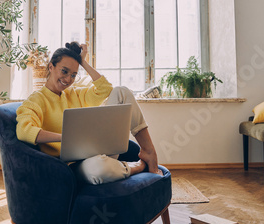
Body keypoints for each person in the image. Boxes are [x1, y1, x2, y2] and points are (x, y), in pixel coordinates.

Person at [16, 42, 163, 185]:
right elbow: (24, 130)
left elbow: (105, 89)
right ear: (51, 67)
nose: (68, 79)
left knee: (122, 92)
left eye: (73, 75)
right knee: (99, 169)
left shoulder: (74, 93)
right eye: (64, 71)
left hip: (98, 149)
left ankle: (148, 151)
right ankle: (138, 166)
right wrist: (67, 138)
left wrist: (83, 62)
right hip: (77, 165)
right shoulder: (35, 100)